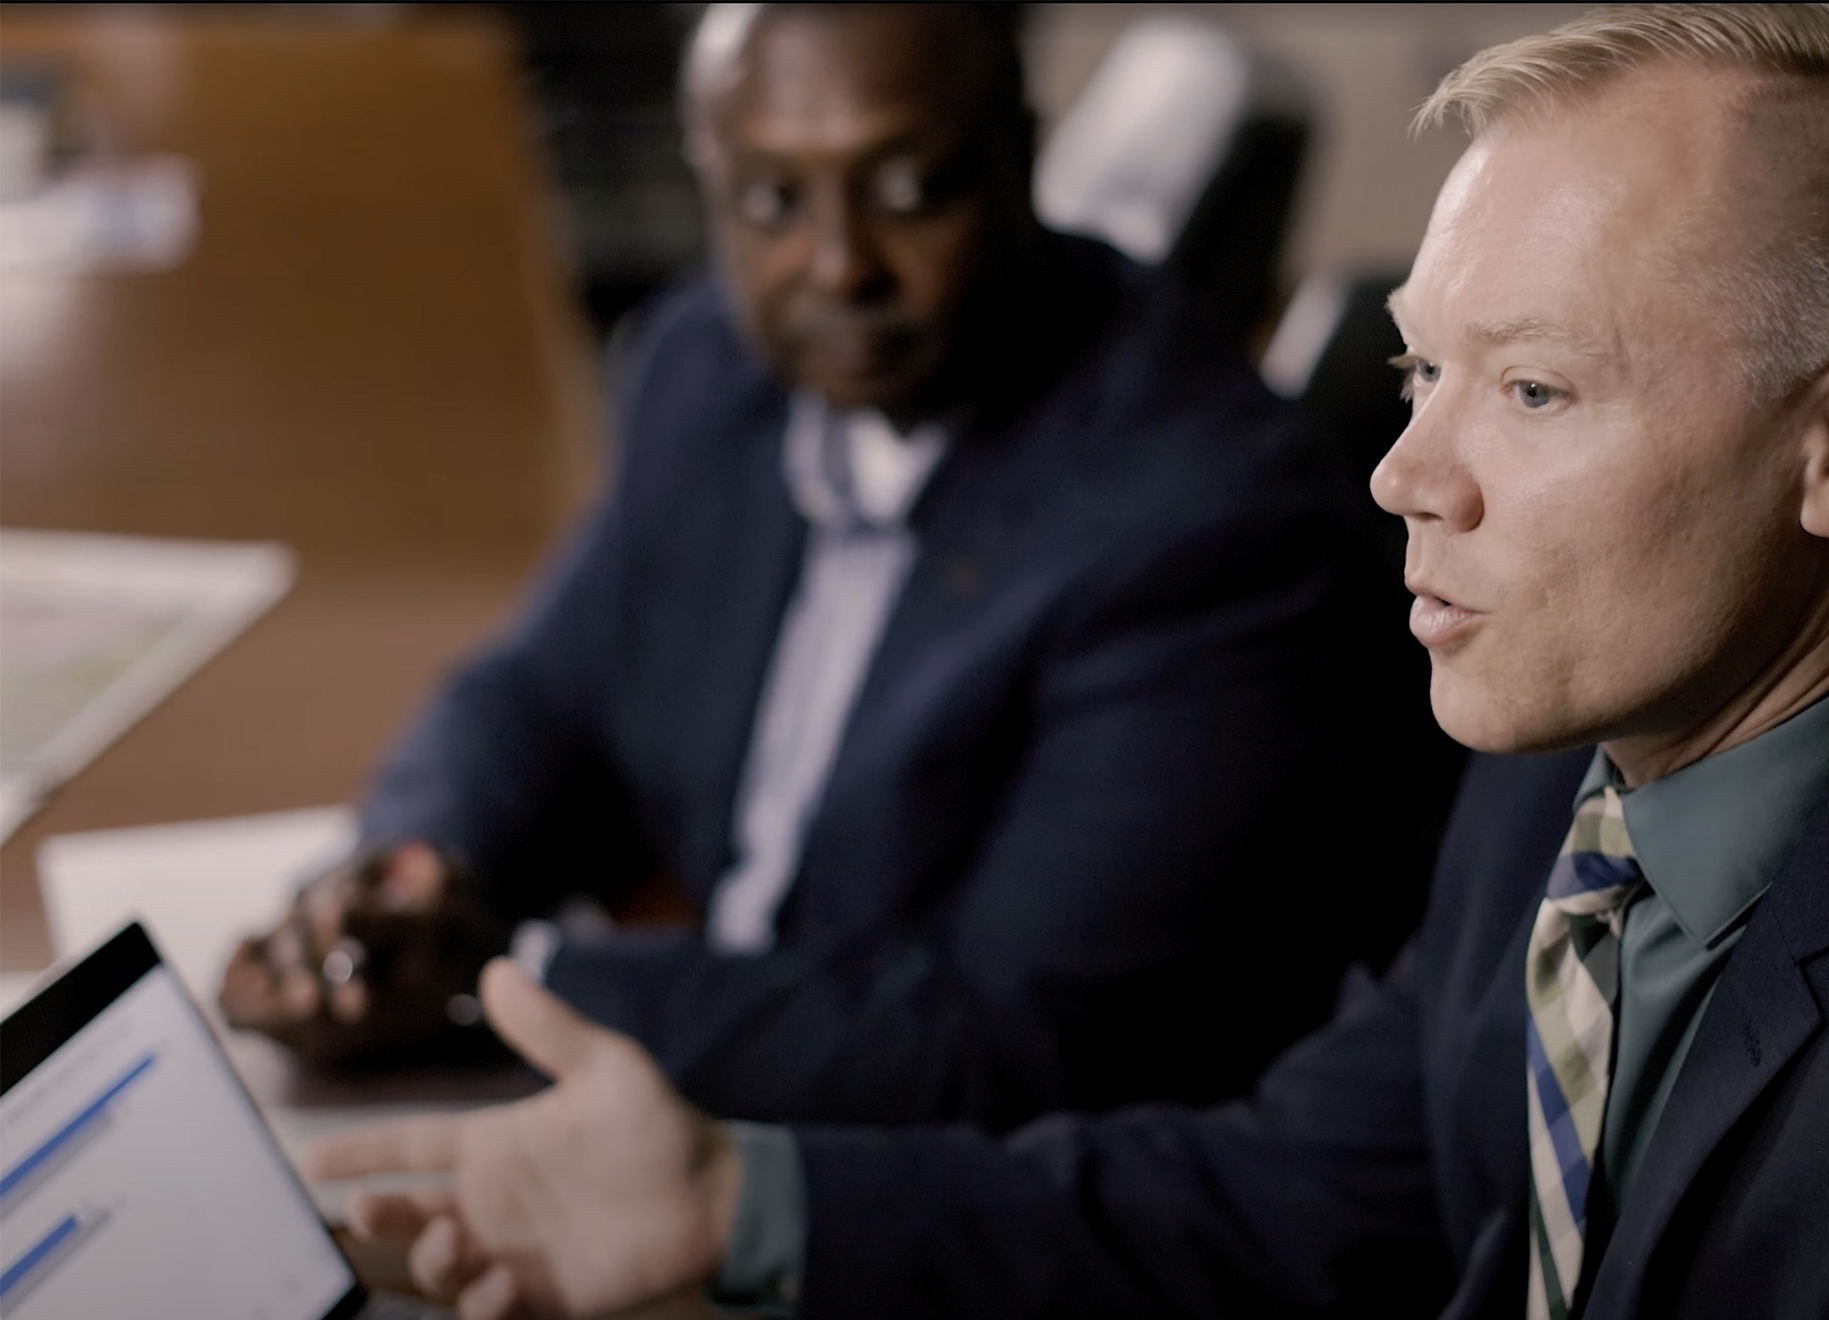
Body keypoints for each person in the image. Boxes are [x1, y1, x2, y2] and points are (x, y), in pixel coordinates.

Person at [305, 6, 1829, 1318]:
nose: (1400, 477)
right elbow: (1327, 1193)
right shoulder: (1580, 759)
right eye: (1419, 372)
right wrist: (743, 1205)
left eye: (1531, 389)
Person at [221, 1, 1457, 1127]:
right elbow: (543, 690)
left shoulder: (1207, 533)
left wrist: (497, 981)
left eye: (910, 189)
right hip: (726, 1034)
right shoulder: (708, 365)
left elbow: (1009, 1042)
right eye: (773, 202)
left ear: (1019, 158)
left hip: (952, 1177)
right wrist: (409, 881)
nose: (836, 264)